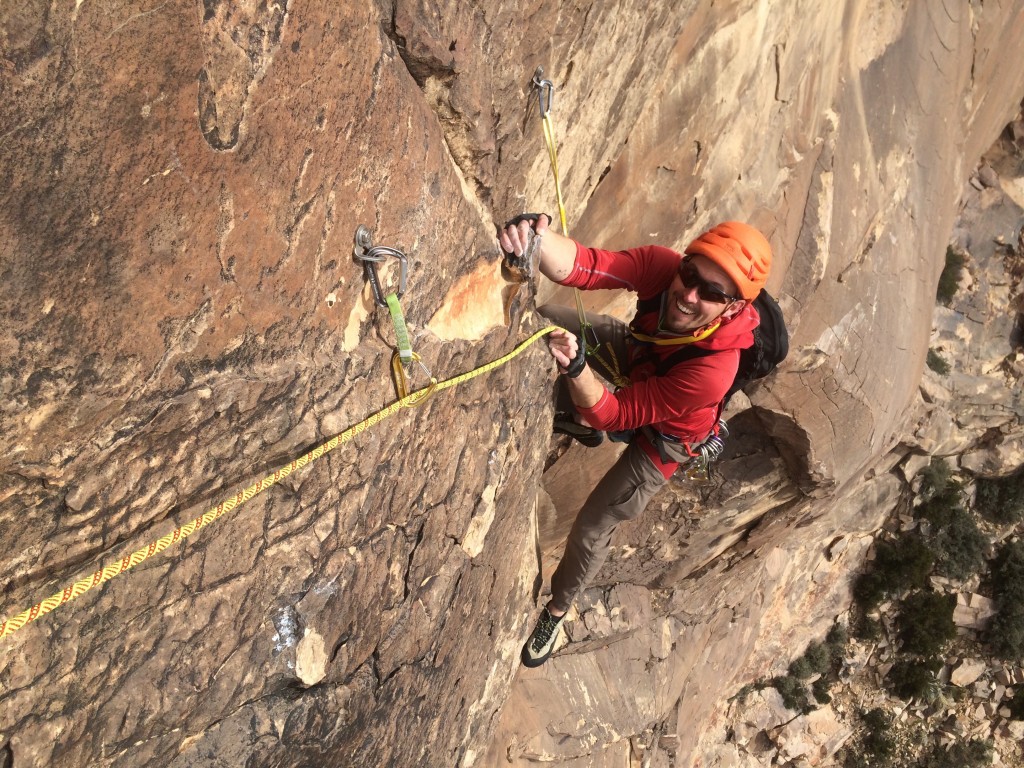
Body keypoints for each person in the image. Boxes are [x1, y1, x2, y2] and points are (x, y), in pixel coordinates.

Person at [499, 215, 773, 667]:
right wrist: (536, 238)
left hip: (666, 440)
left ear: (732, 309)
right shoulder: (664, 268)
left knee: (592, 526)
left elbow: (618, 412)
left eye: (712, 293)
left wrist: (577, 371)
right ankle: (585, 427)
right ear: (683, 262)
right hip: (641, 356)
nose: (688, 295)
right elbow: (585, 266)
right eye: (691, 275)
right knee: (545, 322)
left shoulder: (714, 370)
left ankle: (558, 610)